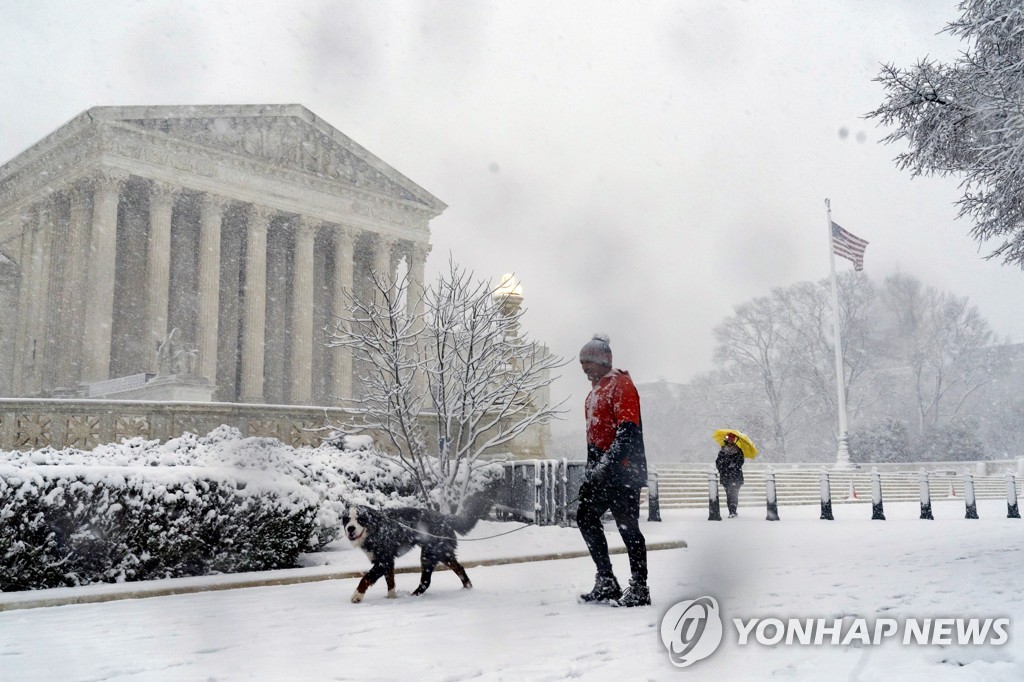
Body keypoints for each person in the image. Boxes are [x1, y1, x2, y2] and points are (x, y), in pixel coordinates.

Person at [576, 334, 650, 607]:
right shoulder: (593, 393)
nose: (586, 372)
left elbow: (627, 432)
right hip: (602, 470)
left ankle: (640, 587)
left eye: (589, 366)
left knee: (628, 527)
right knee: (585, 516)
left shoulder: (622, 385)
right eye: (583, 368)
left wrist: (606, 466)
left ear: (604, 361)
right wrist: (591, 472)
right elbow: (593, 439)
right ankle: (606, 580)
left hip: (624, 470)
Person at [716, 432, 745, 518]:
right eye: (729, 438)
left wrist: (733, 465)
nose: (730, 440)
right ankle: (731, 511)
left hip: (736, 476)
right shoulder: (722, 450)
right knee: (729, 494)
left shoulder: (738, 451)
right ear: (727, 439)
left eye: (732, 438)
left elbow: (740, 462)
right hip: (726, 476)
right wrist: (724, 467)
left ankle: (733, 511)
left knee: (734, 494)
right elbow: (718, 462)